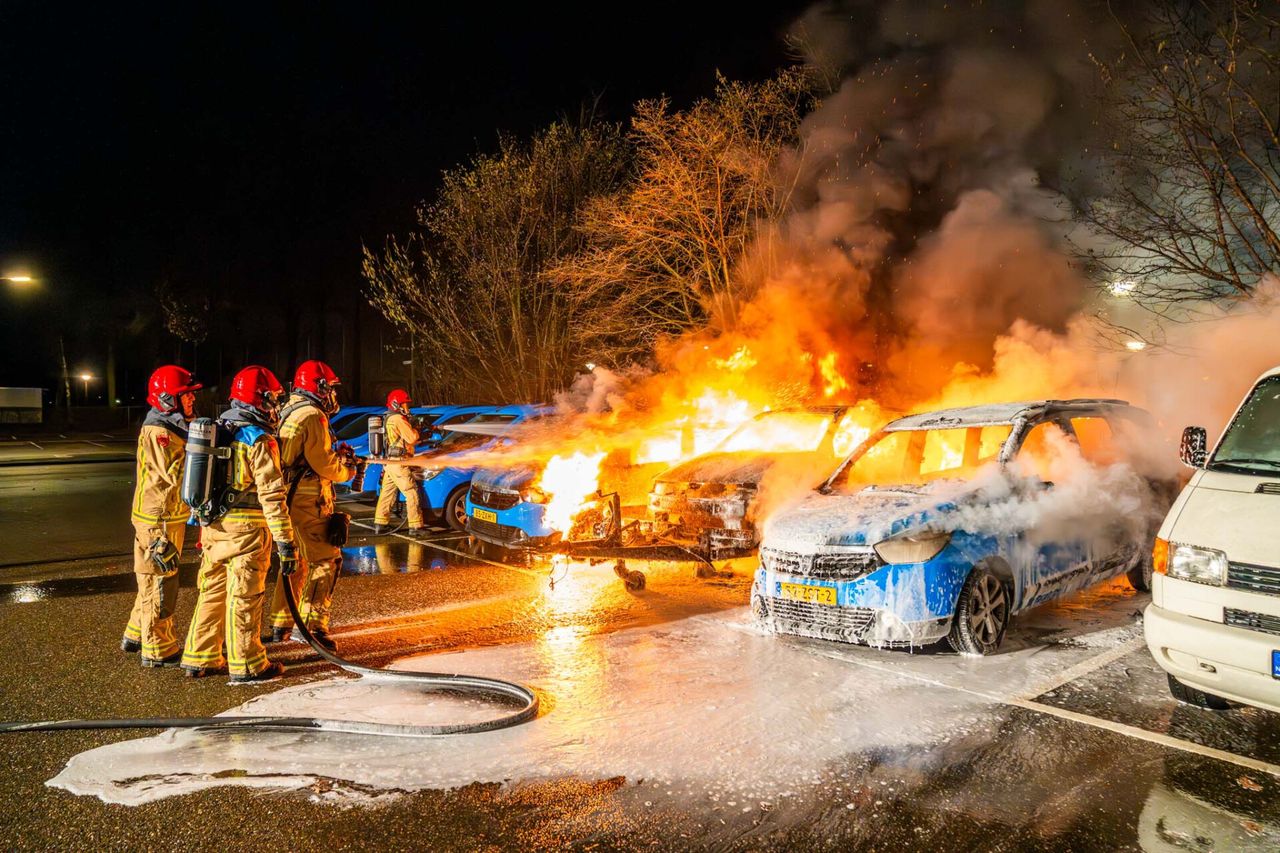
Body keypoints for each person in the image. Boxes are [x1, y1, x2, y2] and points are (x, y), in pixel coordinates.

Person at [180, 365, 296, 682]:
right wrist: (286, 542)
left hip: (213, 528)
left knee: (212, 593)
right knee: (244, 597)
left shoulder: (220, 429)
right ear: (259, 400)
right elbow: (273, 496)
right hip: (246, 534)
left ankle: (199, 656)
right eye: (272, 399)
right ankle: (247, 664)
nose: (276, 406)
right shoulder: (259, 441)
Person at [265, 360, 356, 651]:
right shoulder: (313, 415)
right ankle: (313, 626)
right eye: (329, 387)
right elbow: (325, 464)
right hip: (307, 499)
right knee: (326, 560)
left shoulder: (287, 411)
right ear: (317, 387)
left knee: (296, 562)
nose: (332, 394)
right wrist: (348, 470)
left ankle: (282, 623)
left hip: (288, 497)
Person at [122, 365, 201, 667]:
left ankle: (135, 634)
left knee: (150, 577)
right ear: (168, 399)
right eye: (186, 395)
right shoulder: (161, 432)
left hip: (165, 516)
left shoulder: (171, 426)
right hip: (159, 520)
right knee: (159, 582)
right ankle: (157, 649)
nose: (192, 400)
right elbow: (179, 475)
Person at [372, 388, 425, 534]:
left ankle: (380, 524)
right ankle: (415, 526)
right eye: (405, 404)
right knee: (411, 492)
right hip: (400, 462)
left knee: (387, 493)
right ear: (396, 404)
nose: (407, 407)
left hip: (390, 462)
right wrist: (417, 429)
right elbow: (412, 438)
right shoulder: (398, 419)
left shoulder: (387, 417)